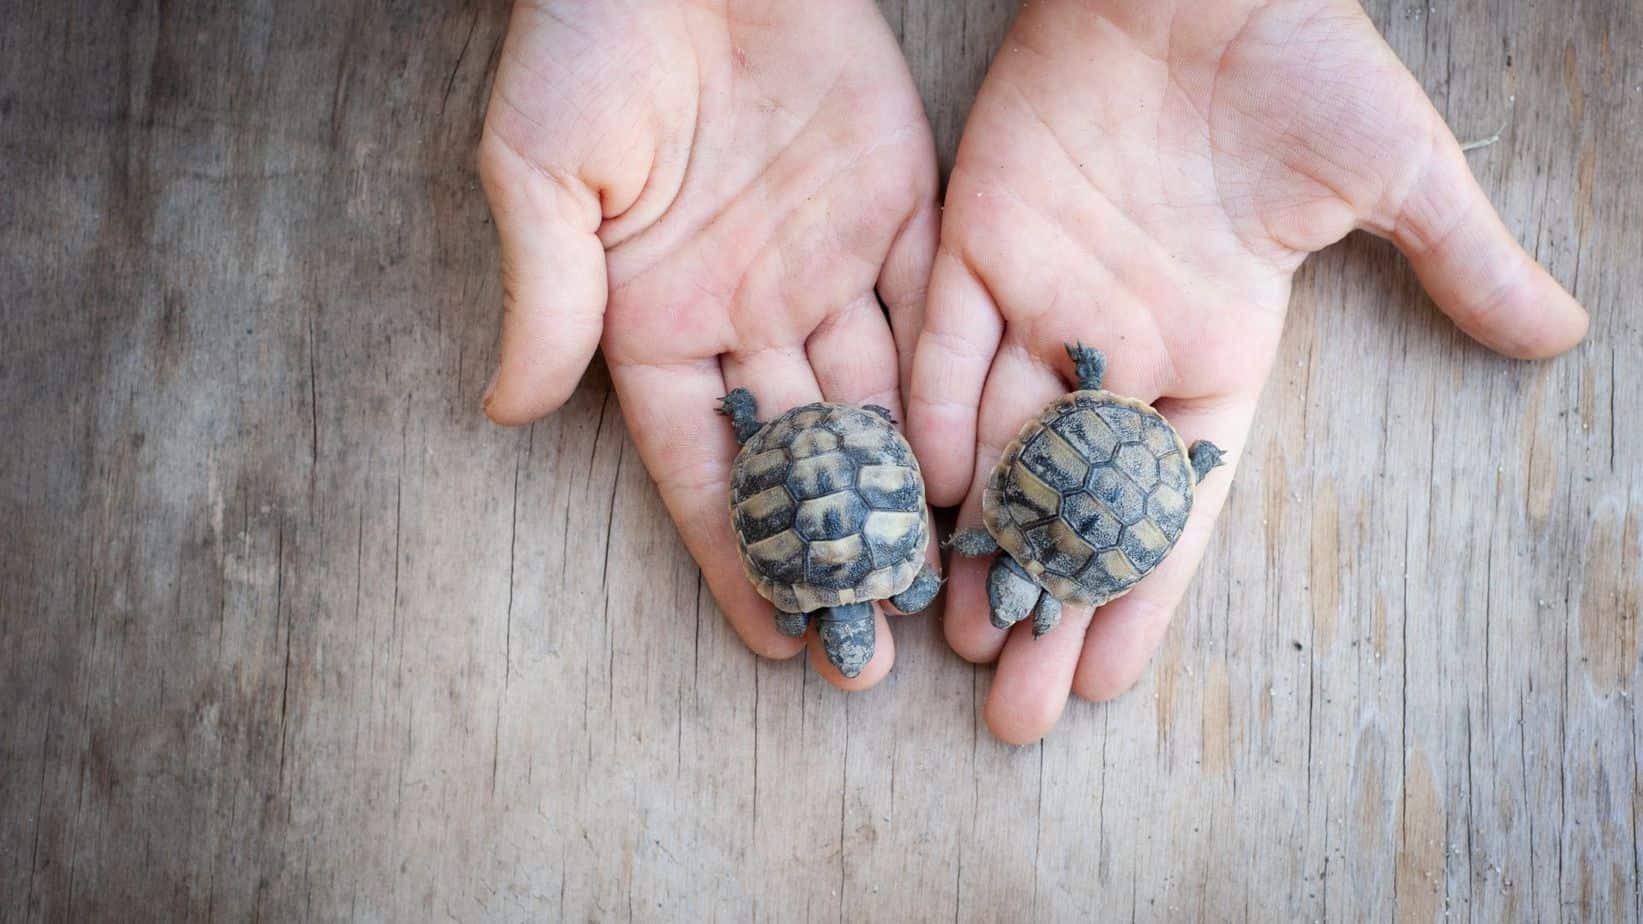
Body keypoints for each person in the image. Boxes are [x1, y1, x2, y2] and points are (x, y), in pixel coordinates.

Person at [475, 0, 1588, 744]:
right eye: (1014, 595)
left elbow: (972, 548)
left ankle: (1181, 458)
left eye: (861, 622)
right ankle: (1179, 460)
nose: (892, 611)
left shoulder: (965, 545)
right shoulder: (938, 556)